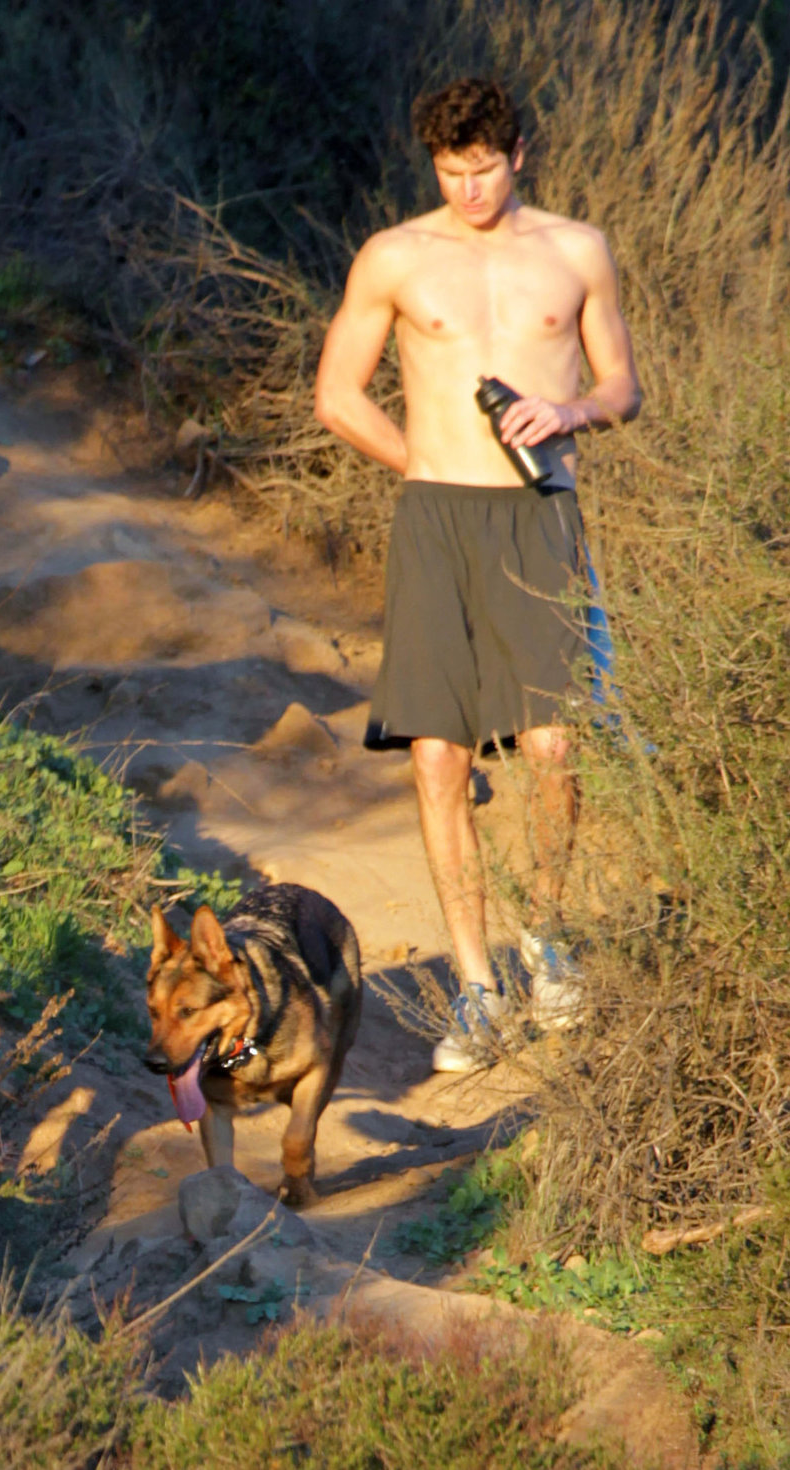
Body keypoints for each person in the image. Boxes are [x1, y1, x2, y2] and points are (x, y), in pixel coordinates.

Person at [314, 77, 641, 1070]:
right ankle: (477, 988)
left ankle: (546, 946)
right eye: (452, 173)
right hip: (436, 522)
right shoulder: (396, 256)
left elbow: (623, 384)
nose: (469, 189)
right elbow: (336, 394)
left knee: (550, 748)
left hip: (541, 516)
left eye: (485, 168)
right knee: (436, 758)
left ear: (520, 153)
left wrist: (572, 412)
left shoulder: (576, 249)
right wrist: (421, 461)